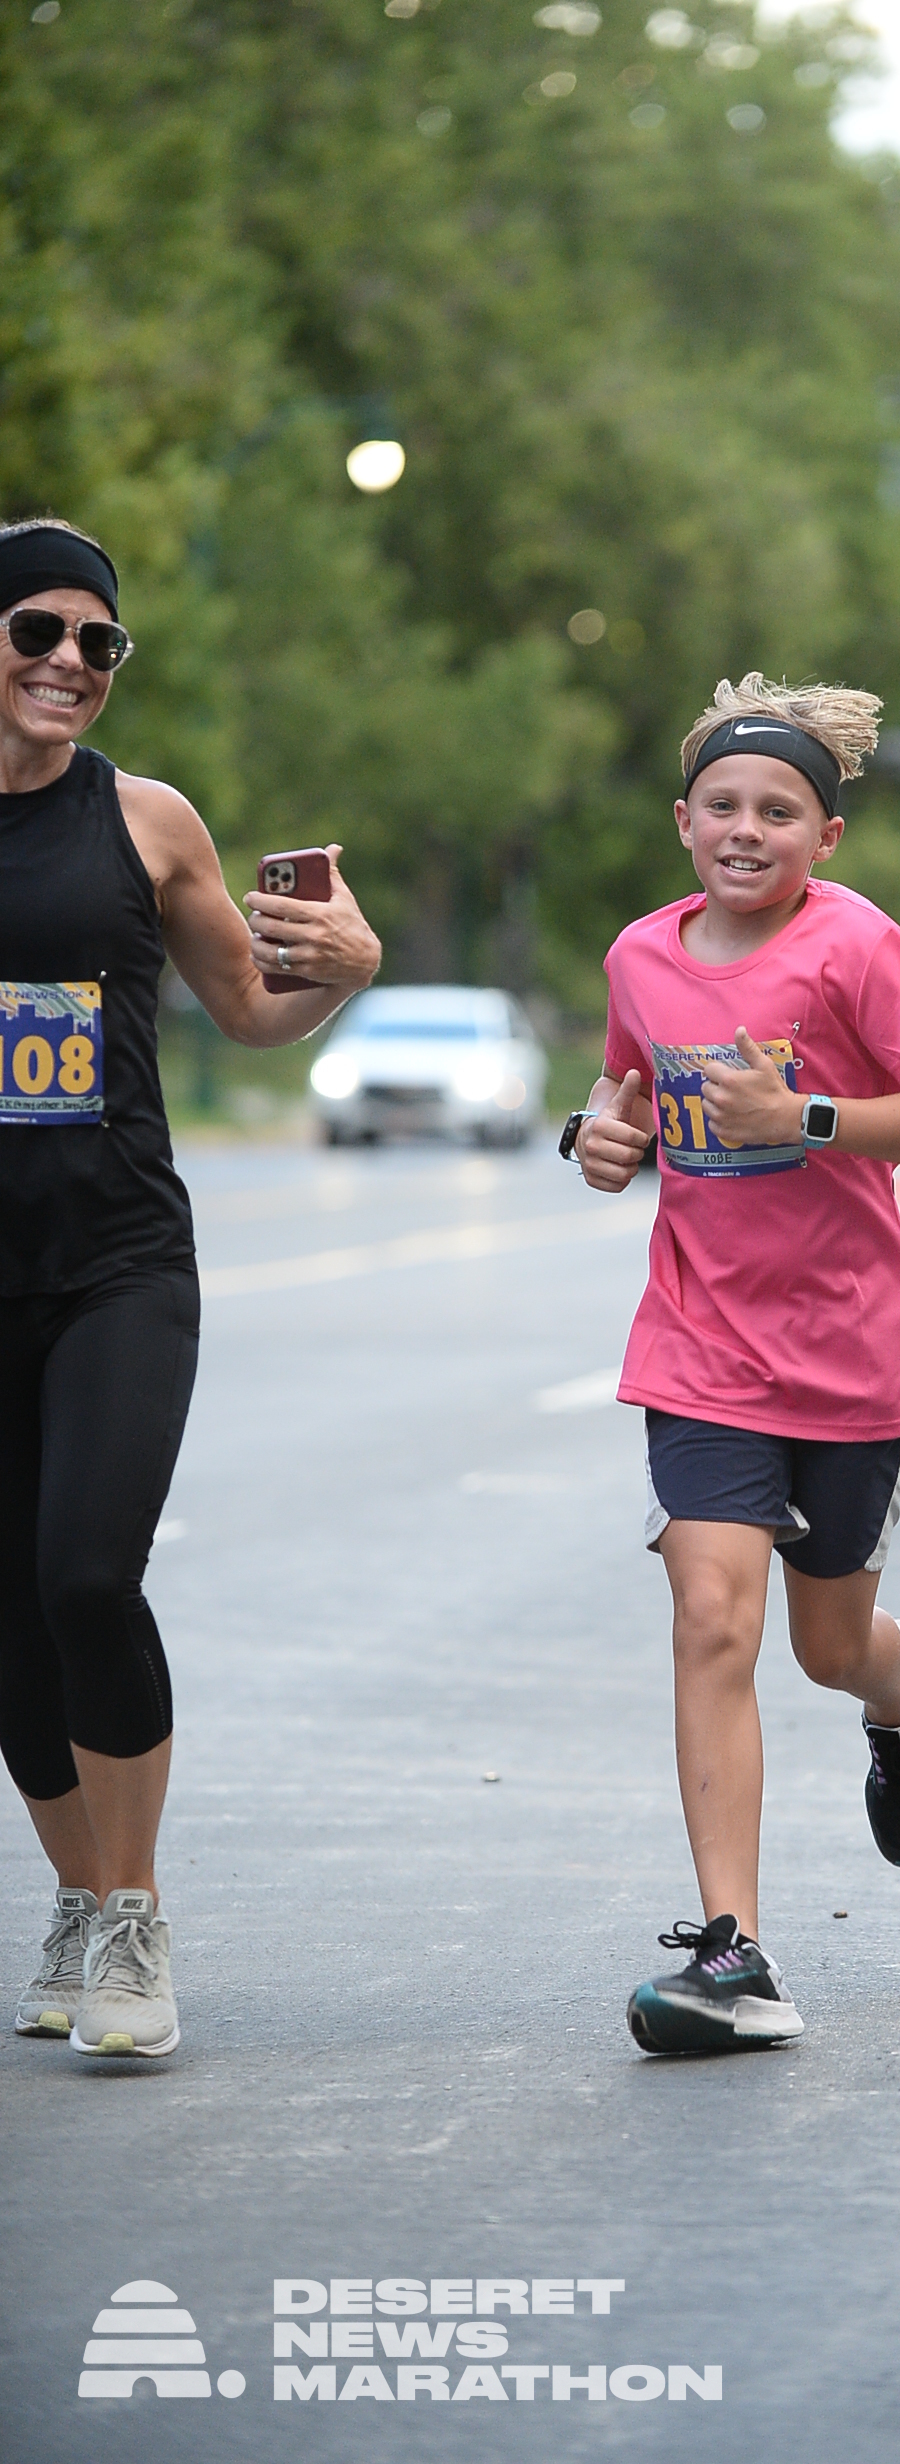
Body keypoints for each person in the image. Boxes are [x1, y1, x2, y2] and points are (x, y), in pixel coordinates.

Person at [562, 673, 900, 2055]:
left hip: (851, 1350)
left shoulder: (859, 947)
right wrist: (596, 1139)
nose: (747, 829)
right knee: (710, 1618)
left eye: (779, 811)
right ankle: (732, 1951)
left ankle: (898, 1695)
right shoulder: (642, 955)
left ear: (825, 837)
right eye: (724, 806)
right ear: (683, 821)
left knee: (824, 1646)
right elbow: (622, 1098)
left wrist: (806, 1115)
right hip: (700, 1343)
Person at [2, 517, 380, 2058]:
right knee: (11, 1617)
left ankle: (135, 1916)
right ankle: (77, 1898)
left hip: (118, 1259)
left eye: (100, 641)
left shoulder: (146, 821)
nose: (72, 662)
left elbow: (250, 1007)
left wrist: (340, 970)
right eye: (39, 631)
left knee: (87, 1578)